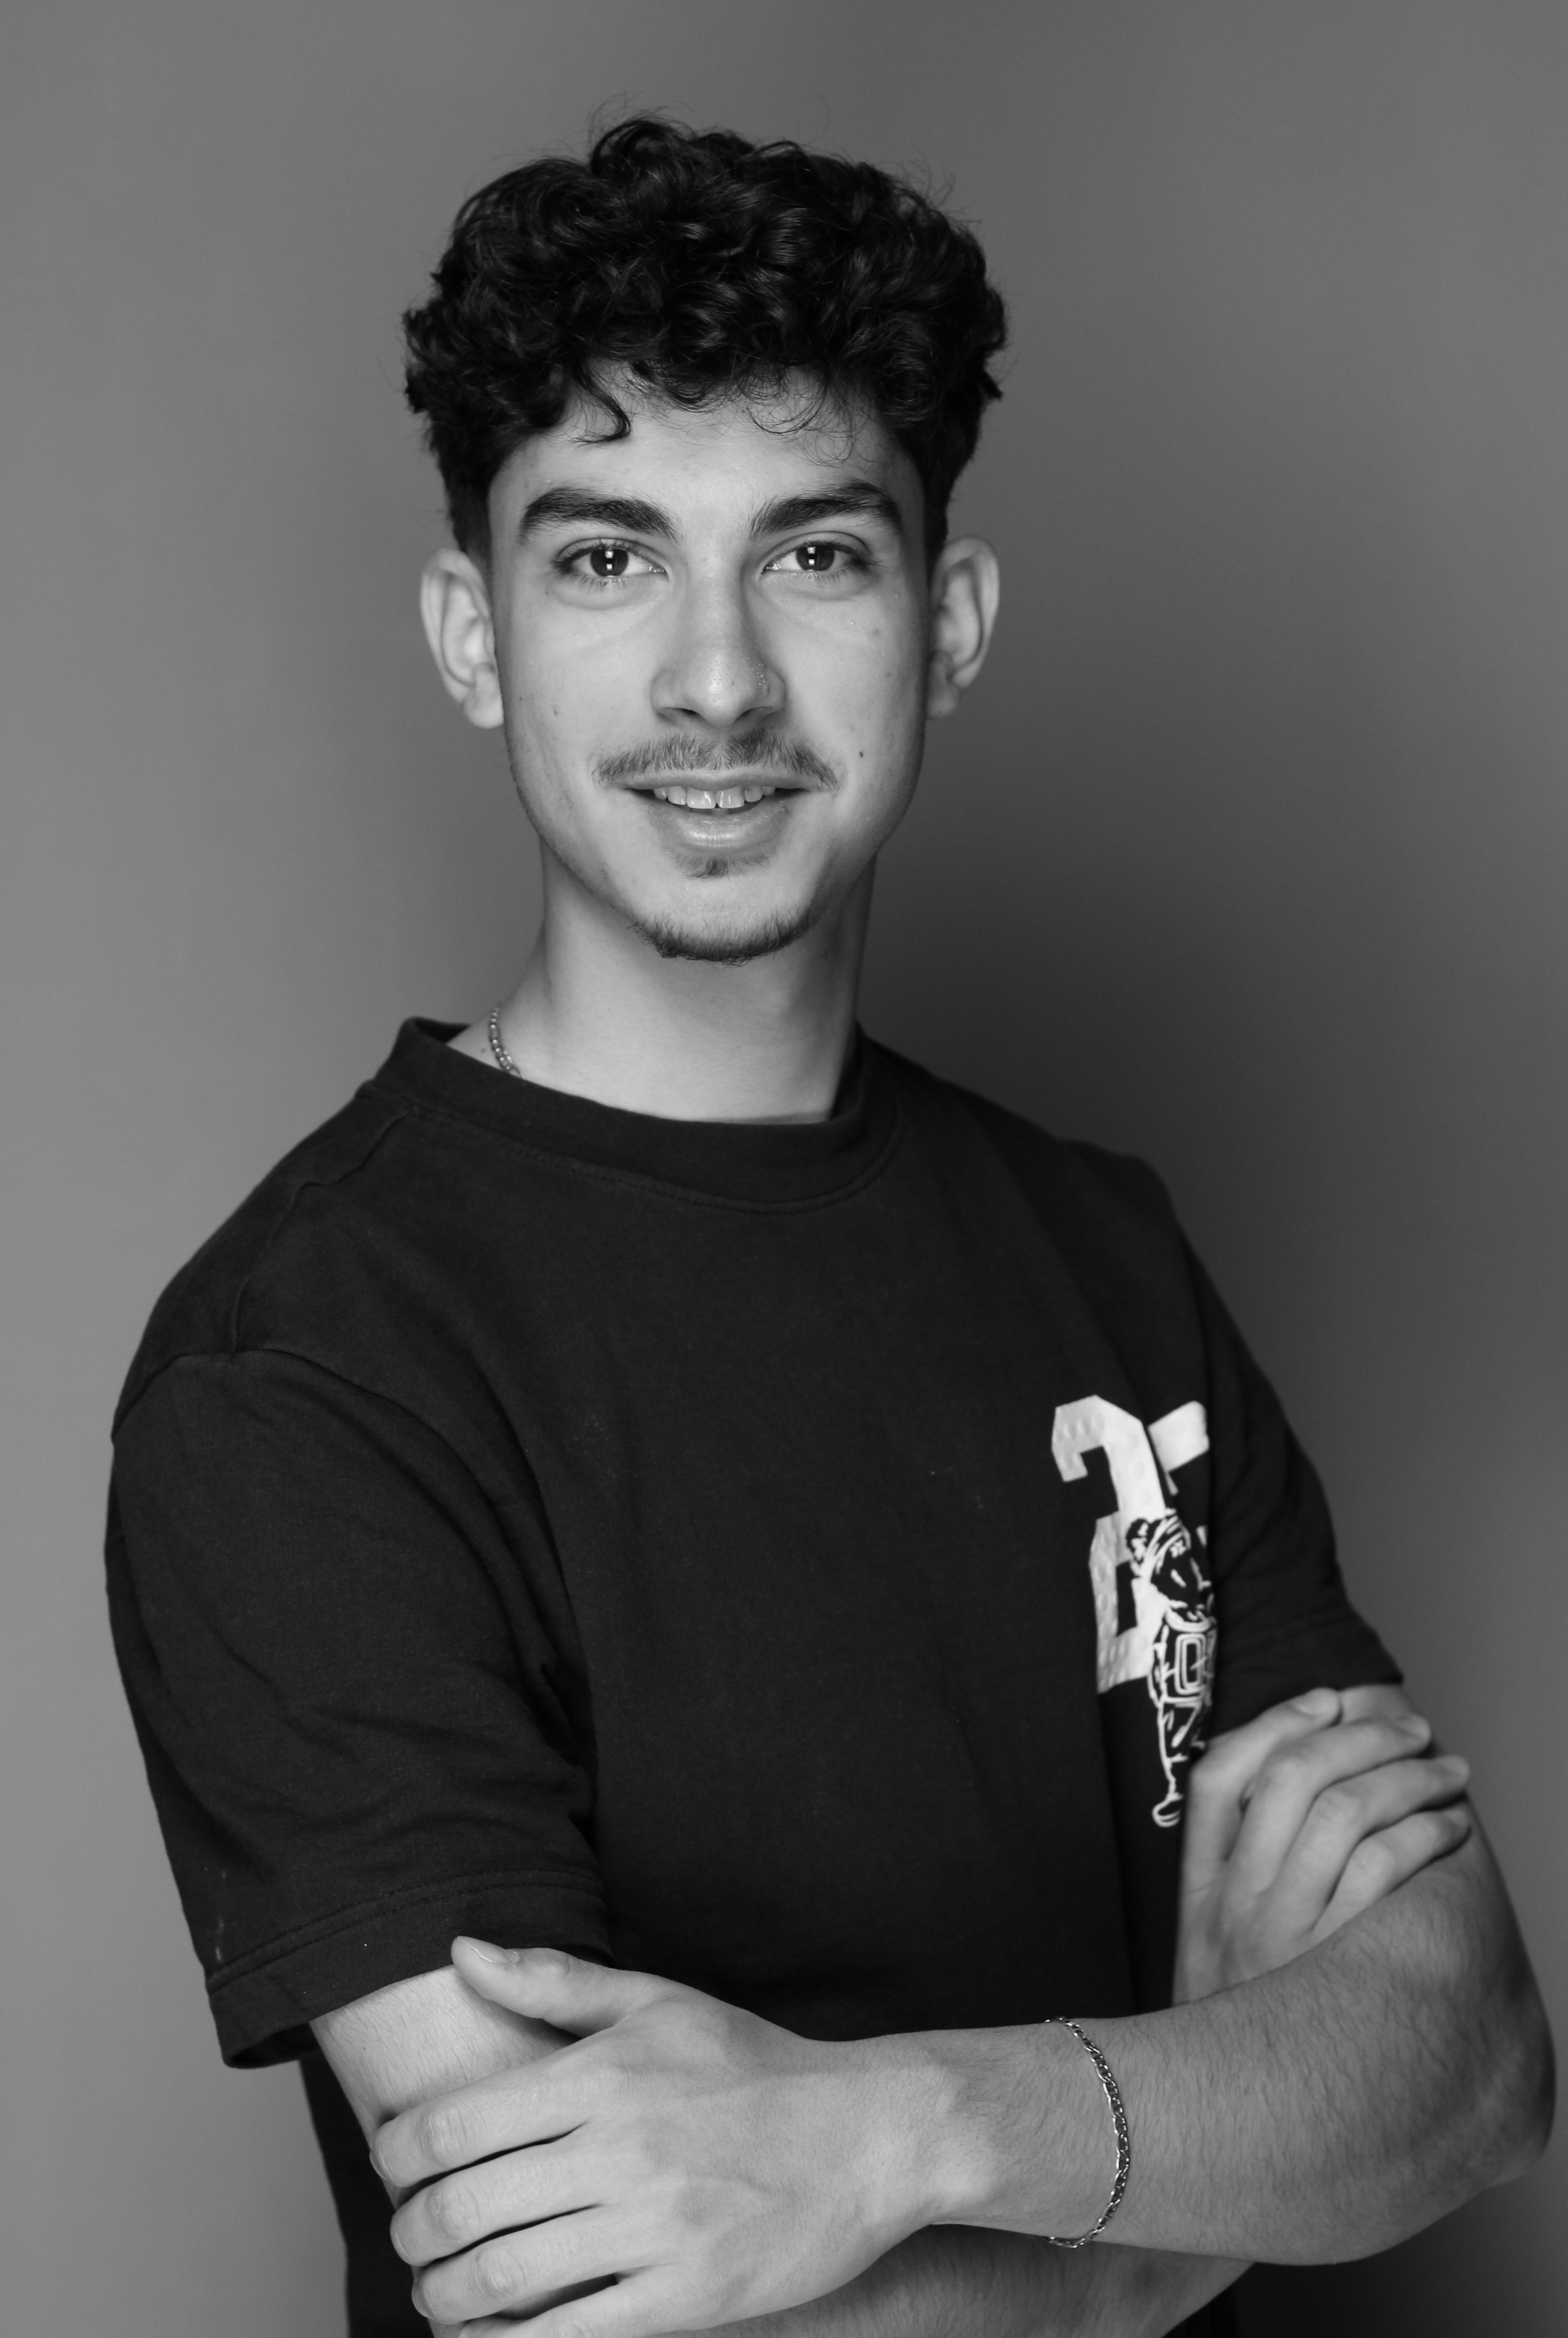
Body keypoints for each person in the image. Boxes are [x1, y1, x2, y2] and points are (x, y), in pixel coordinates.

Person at [106, 118, 1551, 2338]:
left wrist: (884, 2139)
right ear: (470, 636)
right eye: (602, 560)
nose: (715, 685)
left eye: (811, 557)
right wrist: (1173, 2184)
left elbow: (1464, 2067)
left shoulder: (1104, 1254)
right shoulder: (309, 1379)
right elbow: (606, 2302)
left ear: (943, 624)